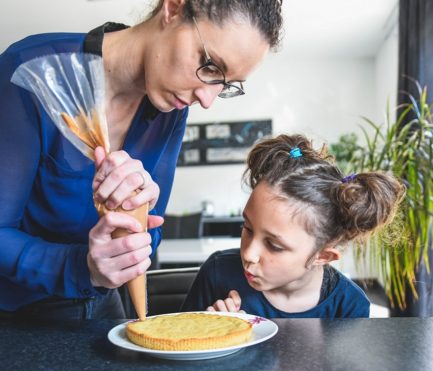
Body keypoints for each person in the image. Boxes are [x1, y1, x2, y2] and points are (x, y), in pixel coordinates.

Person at [0, 0, 284, 320]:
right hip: (18, 315)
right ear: (173, 9)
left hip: (108, 303)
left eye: (225, 85)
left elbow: (153, 230)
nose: (207, 99)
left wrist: (137, 218)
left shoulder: (172, 109)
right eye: (210, 65)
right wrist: (85, 267)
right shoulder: (27, 69)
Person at [182, 134, 406, 318]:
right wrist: (213, 332)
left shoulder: (349, 307)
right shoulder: (217, 273)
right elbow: (178, 359)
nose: (249, 253)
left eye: (274, 245)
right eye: (247, 228)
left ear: (323, 256)